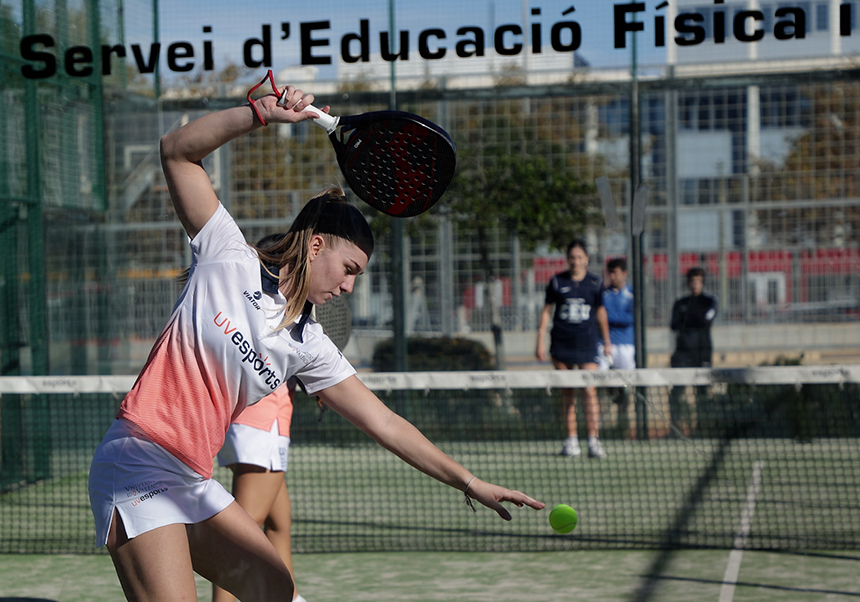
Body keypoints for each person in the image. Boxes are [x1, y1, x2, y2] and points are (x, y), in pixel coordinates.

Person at [88, 85, 544, 602]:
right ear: (316, 244)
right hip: (139, 459)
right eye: (349, 269)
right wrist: (260, 114)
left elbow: (386, 423)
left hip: (191, 478)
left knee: (275, 588)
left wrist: (469, 482)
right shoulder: (227, 257)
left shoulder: (309, 344)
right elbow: (176, 151)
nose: (349, 286)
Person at [211, 234, 305, 602]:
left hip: (247, 427)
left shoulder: (250, 309)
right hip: (262, 429)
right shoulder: (277, 315)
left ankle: (290, 597)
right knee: (241, 539)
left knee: (279, 522)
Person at [536, 238, 612, 459]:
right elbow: (546, 312)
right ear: (567, 259)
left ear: (586, 259)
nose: (575, 261)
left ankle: (593, 441)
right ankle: (571, 441)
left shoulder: (595, 283)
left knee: (589, 390)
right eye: (572, 257)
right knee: (567, 392)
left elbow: (601, 312)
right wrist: (539, 340)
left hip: (587, 344)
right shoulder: (557, 282)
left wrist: (607, 342)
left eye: (579, 257)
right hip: (562, 344)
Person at [669, 266, 718, 435]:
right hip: (682, 353)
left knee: (702, 392)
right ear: (688, 283)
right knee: (677, 392)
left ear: (702, 283)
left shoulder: (709, 302)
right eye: (692, 281)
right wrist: (692, 318)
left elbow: (705, 320)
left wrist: (689, 318)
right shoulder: (680, 303)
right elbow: (674, 325)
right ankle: (675, 430)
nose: (695, 284)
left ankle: (703, 430)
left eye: (698, 281)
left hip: (702, 352)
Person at [598, 257, 635, 439]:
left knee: (625, 387)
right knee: (599, 384)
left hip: (626, 346)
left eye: (615, 273)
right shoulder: (603, 294)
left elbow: (631, 318)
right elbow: (598, 316)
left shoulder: (632, 294)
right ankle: (600, 428)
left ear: (624, 274)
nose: (612, 277)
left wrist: (608, 316)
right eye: (610, 273)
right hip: (603, 346)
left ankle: (623, 426)